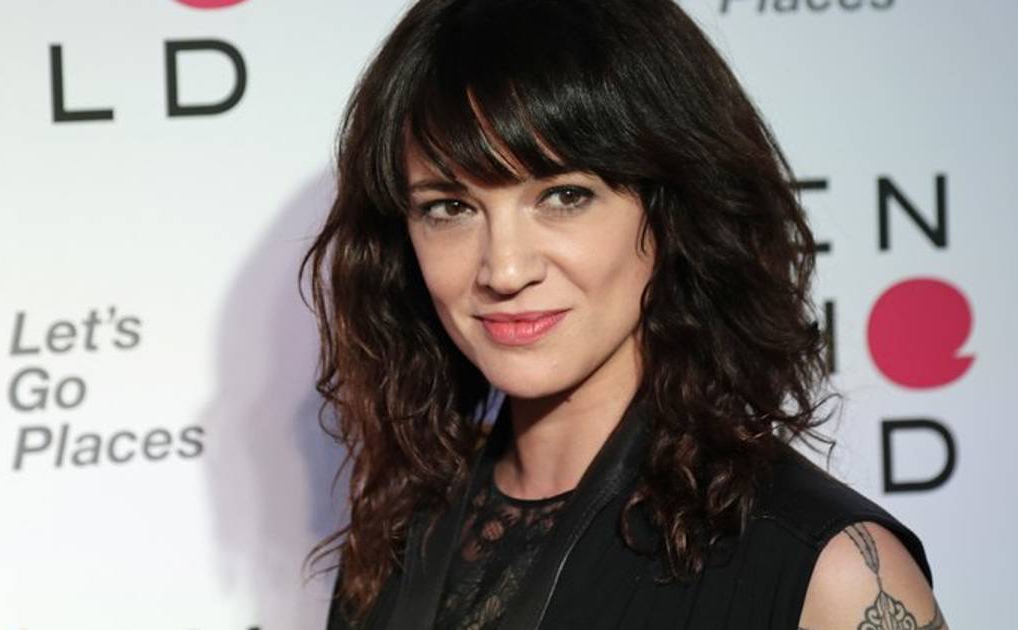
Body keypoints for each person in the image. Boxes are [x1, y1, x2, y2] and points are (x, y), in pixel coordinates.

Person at [300, 0, 949, 628]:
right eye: (450, 208)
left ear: (675, 210)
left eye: (564, 196)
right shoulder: (397, 537)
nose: (504, 269)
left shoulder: (831, 572)